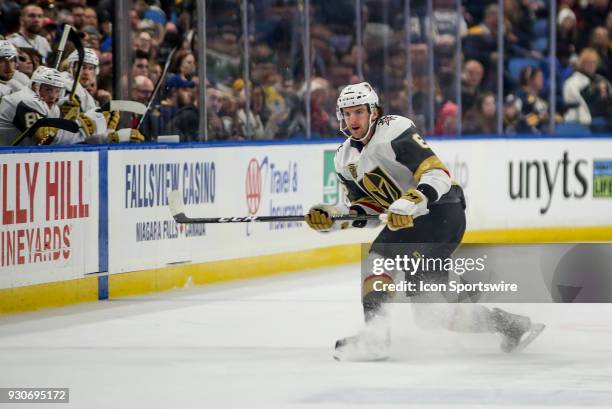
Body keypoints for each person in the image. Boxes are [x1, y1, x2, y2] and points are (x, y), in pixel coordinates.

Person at [305, 82, 544, 361]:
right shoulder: (343, 158)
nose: (353, 119)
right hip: (417, 224)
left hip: (441, 211)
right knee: (431, 314)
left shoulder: (394, 130)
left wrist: (413, 200)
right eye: (347, 113)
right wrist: (336, 218)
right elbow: (369, 210)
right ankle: (511, 326)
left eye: (359, 112)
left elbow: (438, 174)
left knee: (378, 260)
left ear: (374, 112)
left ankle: (376, 337)